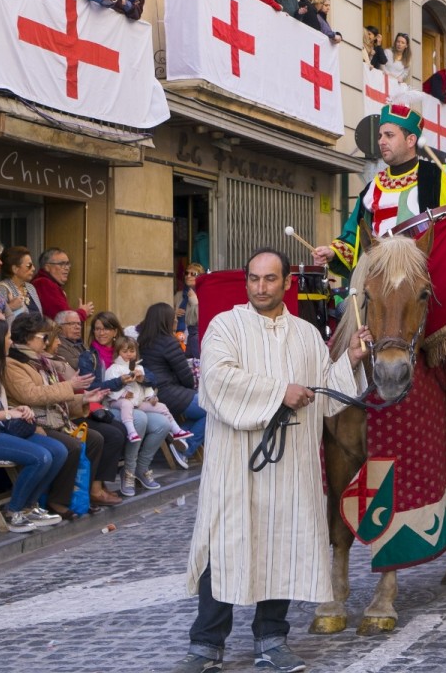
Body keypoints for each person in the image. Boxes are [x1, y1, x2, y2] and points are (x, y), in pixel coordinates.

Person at [170, 248, 371, 673]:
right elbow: (218, 378)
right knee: (223, 544)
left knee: (284, 543)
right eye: (255, 279)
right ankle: (206, 644)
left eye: (270, 279)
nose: (261, 287)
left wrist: (351, 359)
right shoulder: (226, 326)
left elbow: (324, 395)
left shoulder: (306, 335)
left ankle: (272, 640)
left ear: (286, 284)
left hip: (291, 463)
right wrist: (280, 391)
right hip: (235, 460)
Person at [311, 101, 446, 428]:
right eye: (381, 135)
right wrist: (334, 251)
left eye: (389, 135)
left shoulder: (436, 173)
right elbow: (355, 235)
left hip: (424, 272)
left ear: (410, 140)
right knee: (340, 324)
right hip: (380, 277)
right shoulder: (371, 188)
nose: (382, 141)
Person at [4, 313, 118, 517]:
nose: (46, 342)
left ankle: (80, 495)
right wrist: (70, 386)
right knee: (72, 446)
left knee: (95, 439)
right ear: (29, 336)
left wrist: (84, 399)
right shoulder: (14, 363)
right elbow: (30, 395)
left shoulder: (41, 361)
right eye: (43, 337)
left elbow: (55, 396)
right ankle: (58, 500)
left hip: (53, 419)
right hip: (35, 422)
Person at [0, 318, 68, 532]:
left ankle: (29, 506)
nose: (11, 342)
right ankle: (14, 511)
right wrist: (7, 414)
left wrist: (19, 410)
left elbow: (0, 406)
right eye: (8, 338)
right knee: (40, 457)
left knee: (59, 451)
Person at [81, 311, 169, 496]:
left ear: (115, 331)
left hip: (134, 402)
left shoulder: (125, 349)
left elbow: (151, 377)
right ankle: (128, 471)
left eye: (106, 328)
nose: (101, 333)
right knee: (140, 419)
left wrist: (143, 377)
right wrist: (119, 381)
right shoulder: (89, 356)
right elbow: (92, 387)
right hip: (106, 406)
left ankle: (141, 468)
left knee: (163, 424)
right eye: (97, 329)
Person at [139, 303, 205, 468]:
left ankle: (180, 437)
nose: (176, 320)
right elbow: (186, 377)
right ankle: (185, 449)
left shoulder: (143, 340)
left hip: (155, 393)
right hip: (170, 393)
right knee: (214, 410)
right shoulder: (169, 342)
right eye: (173, 317)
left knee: (204, 409)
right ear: (165, 320)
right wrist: (190, 390)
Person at [106, 337, 192, 445]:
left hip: (138, 402)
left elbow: (146, 387)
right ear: (118, 353)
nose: (129, 354)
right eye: (125, 351)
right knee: (126, 404)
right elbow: (108, 387)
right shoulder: (114, 368)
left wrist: (151, 396)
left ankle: (176, 430)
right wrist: (122, 394)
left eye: (132, 351)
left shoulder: (139, 368)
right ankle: (131, 431)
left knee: (162, 407)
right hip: (117, 401)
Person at [33, 247, 94, 321]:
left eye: (68, 264)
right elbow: (62, 318)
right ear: (47, 267)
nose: (67, 268)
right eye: (62, 264)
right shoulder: (44, 283)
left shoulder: (47, 282)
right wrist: (83, 312)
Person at [0, 245, 42, 317]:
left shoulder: (30, 287)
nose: (33, 268)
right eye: (29, 265)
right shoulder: (2, 289)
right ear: (15, 269)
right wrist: (10, 307)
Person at [176, 263, 204, 359]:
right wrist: (174, 315)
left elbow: (202, 318)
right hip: (179, 337)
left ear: (200, 277)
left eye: (193, 274)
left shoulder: (204, 294)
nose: (188, 276)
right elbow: (169, 319)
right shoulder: (179, 295)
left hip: (195, 338)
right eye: (187, 273)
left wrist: (194, 301)